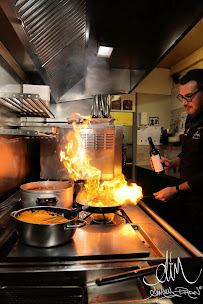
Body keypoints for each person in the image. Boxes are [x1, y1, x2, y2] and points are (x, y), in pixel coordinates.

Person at [152, 69, 203, 251]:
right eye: (181, 98)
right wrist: (172, 162)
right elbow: (190, 152)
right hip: (187, 196)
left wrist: (174, 189)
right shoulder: (192, 118)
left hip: (201, 198)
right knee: (186, 242)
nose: (184, 104)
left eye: (189, 97)